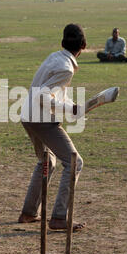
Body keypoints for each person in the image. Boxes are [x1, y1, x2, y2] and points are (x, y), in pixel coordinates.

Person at [18, 24, 87, 231]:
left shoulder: (55, 57)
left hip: (28, 116)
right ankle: (58, 217)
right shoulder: (65, 68)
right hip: (41, 119)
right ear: (83, 46)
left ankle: (28, 213)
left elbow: (54, 93)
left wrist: (71, 107)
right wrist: (70, 108)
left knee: (47, 161)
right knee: (74, 162)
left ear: (62, 43)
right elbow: (44, 97)